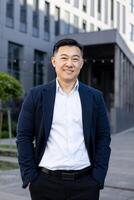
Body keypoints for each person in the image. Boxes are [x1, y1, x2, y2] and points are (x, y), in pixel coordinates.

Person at [16, 38, 111, 200]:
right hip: (45, 183)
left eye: (75, 59)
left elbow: (103, 137)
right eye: (64, 58)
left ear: (81, 63)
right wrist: (31, 176)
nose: (69, 63)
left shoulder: (95, 97)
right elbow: (23, 137)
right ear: (54, 61)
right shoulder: (36, 95)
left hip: (86, 184)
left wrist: (98, 177)